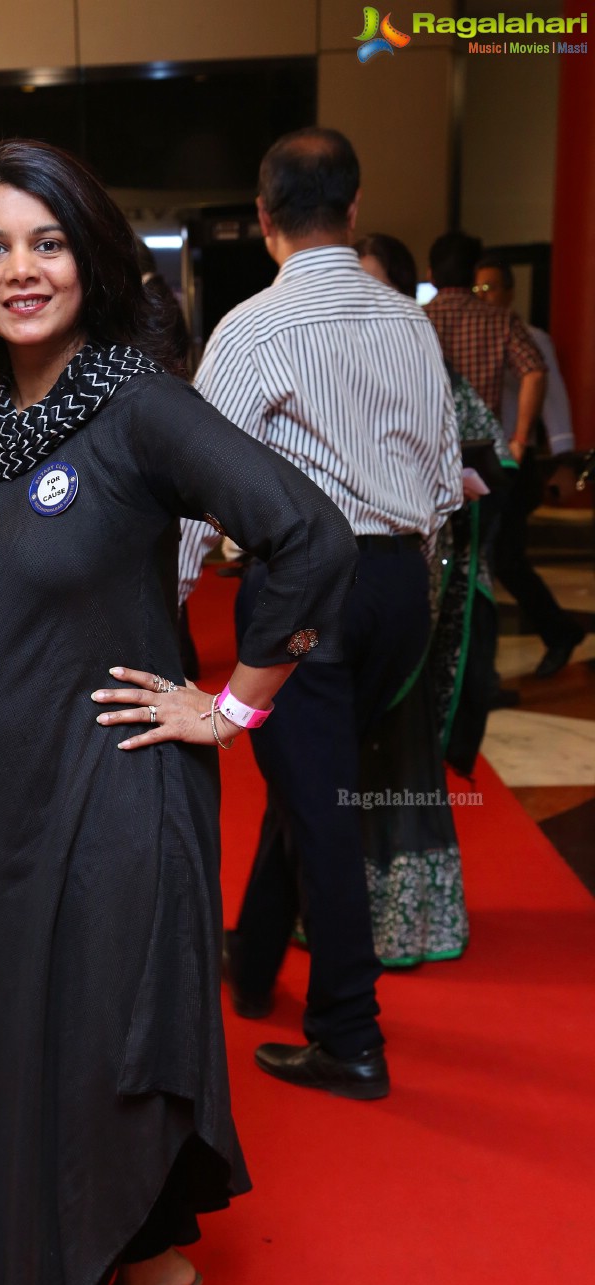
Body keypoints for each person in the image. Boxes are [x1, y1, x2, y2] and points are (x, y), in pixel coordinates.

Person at [0, 139, 357, 1285]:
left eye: (46, 241)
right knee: (9, 1061)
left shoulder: (137, 401)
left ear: (89, 256)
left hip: (115, 803)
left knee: (64, 1077)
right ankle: (156, 1274)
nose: (20, 270)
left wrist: (235, 706)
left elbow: (307, 532)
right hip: (0, 821)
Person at [197, 130, 462, 1099]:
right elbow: (440, 481)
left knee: (320, 811)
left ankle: (349, 1037)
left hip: (306, 589)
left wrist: (170, 597)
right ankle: (256, 957)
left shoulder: (250, 331)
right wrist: (414, 586)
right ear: (352, 213)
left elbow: (200, 484)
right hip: (395, 586)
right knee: (315, 788)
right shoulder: (407, 322)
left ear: (264, 221)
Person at [354, 232, 470, 966]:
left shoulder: (420, 351)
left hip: (411, 574)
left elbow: (466, 446)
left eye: (373, 284)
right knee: (349, 752)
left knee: (400, 743)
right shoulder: (346, 357)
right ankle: (347, 909)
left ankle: (411, 919)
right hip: (354, 580)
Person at [472, 252, 586, 677]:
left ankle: (558, 632)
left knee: (506, 558)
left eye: (492, 288)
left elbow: (552, 397)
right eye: (478, 289)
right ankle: (556, 632)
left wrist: (562, 461)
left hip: (516, 464)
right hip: (482, 464)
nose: (485, 296)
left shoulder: (531, 336)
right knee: (501, 559)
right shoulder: (472, 333)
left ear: (510, 290)